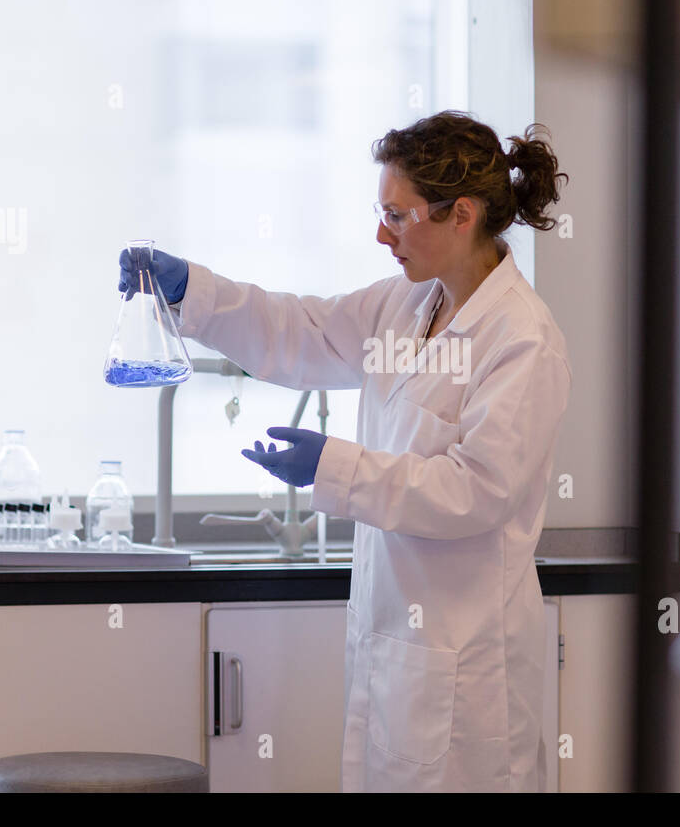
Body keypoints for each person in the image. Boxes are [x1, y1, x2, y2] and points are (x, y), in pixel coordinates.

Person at [118, 110, 571, 791]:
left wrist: (331, 467)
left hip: (468, 664)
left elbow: (475, 492)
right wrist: (195, 291)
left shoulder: (521, 340)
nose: (381, 233)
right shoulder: (407, 305)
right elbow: (304, 329)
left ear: (461, 214)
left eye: (398, 214)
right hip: (398, 649)